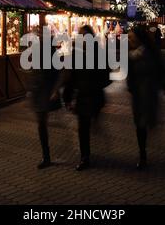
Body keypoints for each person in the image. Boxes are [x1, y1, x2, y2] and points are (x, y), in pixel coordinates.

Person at [127, 26, 165, 169]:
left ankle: (143, 154)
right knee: (139, 125)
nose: (129, 40)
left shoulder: (152, 53)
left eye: (132, 38)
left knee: (146, 121)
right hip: (137, 95)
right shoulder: (129, 55)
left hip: (149, 92)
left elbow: (164, 70)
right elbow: (129, 75)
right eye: (128, 37)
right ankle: (142, 153)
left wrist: (164, 85)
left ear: (140, 39)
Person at [62, 25, 107, 171]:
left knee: (87, 123)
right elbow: (70, 77)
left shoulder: (99, 53)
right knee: (83, 128)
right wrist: (67, 97)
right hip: (81, 96)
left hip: (94, 95)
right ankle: (84, 157)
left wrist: (96, 85)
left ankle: (96, 123)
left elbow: (107, 76)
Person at [30, 37, 62, 169]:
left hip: (44, 92)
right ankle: (46, 155)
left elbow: (58, 74)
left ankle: (46, 156)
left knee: (42, 124)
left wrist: (55, 90)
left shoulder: (51, 55)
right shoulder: (42, 53)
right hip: (40, 92)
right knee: (41, 124)